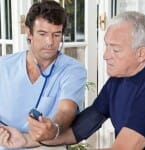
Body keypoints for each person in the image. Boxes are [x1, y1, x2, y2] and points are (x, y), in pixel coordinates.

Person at [7, 11, 145, 149]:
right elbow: (82, 127)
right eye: (107, 46)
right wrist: (26, 139)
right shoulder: (118, 79)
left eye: (116, 50)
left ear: (141, 53)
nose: (105, 56)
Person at [0, 0, 86, 149]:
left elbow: (66, 110)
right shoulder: (3, 66)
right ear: (29, 32)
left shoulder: (73, 70)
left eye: (56, 35)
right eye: (42, 33)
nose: (50, 42)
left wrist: (54, 127)